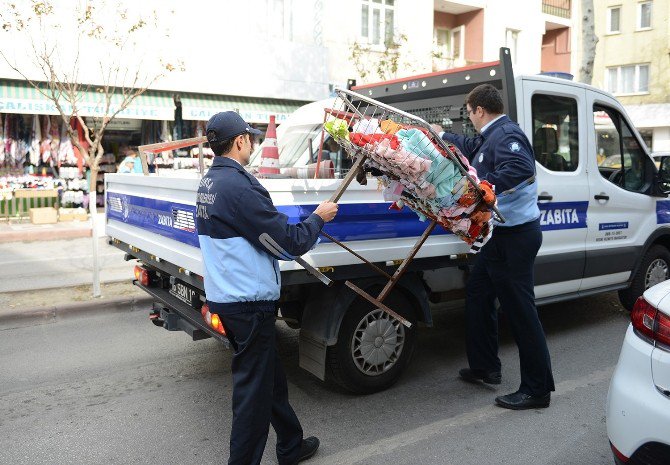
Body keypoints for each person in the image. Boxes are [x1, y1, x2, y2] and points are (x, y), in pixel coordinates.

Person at [196, 111, 338, 464]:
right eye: (251, 138)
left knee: (269, 379)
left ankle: (291, 444)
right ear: (240, 141)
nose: (254, 144)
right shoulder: (240, 187)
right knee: (252, 397)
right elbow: (288, 244)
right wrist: (318, 218)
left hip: (227, 297)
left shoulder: (210, 182)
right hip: (247, 303)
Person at [438, 84, 555, 410]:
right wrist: (443, 136)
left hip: (516, 237)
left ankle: (537, 389)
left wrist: (490, 187)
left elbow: (521, 167)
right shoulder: (490, 135)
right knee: (478, 293)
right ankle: (485, 367)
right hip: (498, 235)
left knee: (521, 312)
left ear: (478, 110)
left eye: (469, 112)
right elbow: (471, 144)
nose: (470, 119)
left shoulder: (506, 135)